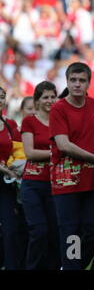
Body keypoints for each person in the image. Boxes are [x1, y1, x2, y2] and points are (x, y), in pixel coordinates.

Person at [49, 62, 94, 270]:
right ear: (67, 82)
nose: (77, 84)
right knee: (71, 232)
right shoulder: (58, 108)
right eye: (73, 80)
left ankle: (72, 266)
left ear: (89, 83)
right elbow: (63, 145)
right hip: (66, 181)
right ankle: (71, 266)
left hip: (93, 181)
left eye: (82, 80)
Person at [20, 81, 60, 270]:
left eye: (53, 96)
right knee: (39, 230)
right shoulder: (30, 120)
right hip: (33, 183)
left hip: (57, 183)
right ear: (37, 101)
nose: (50, 101)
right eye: (45, 97)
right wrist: (58, 153)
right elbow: (30, 152)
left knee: (56, 232)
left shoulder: (60, 121)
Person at [0, 86, 23, 270]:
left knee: (10, 228)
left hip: (6, 184)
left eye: (2, 97)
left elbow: (19, 152)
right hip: (7, 175)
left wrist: (17, 168)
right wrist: (8, 171)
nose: (0, 100)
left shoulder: (10, 125)